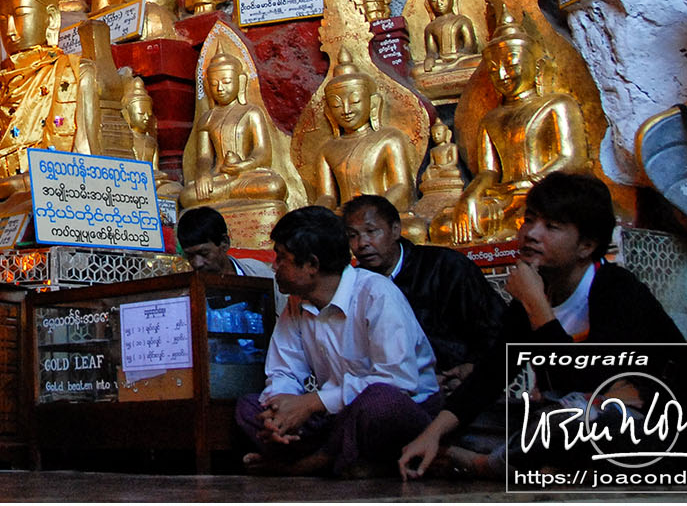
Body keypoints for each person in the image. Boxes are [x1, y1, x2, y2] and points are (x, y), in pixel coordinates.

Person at [399, 173, 684, 480]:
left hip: (651, 419)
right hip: (561, 414)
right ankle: (532, 462)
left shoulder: (617, 290)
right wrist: (432, 434)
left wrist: (537, 306)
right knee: (460, 418)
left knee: (574, 420)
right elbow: (490, 376)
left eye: (552, 226)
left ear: (586, 245)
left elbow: (587, 382)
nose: (531, 234)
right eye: (530, 220)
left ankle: (486, 464)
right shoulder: (534, 294)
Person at [236, 206, 439, 476]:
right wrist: (279, 412)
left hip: (402, 410)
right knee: (249, 407)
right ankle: (344, 459)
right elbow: (283, 371)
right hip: (335, 415)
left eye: (282, 258)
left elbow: (397, 381)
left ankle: (309, 464)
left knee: (379, 403)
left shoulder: (377, 294)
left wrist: (311, 403)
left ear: (312, 265)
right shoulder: (297, 303)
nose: (274, 266)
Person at [343, 195, 503, 392]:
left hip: (460, 384)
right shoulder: (354, 286)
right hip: (389, 391)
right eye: (352, 235)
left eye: (371, 231)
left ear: (395, 230)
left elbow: (496, 326)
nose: (362, 243)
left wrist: (471, 366)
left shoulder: (446, 266)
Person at [177, 206, 273, 278]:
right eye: (189, 256)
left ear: (224, 243)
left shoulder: (259, 272)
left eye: (204, 253)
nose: (197, 263)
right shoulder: (187, 290)